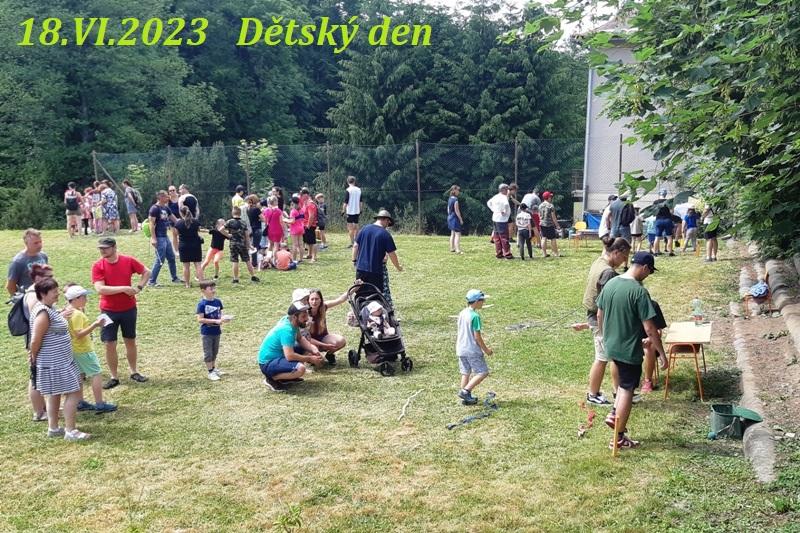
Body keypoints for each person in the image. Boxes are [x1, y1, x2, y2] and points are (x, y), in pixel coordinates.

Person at [596, 252, 668, 450]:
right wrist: (662, 354)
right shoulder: (639, 291)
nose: (648, 275)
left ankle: (614, 413)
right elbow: (650, 328)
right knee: (628, 389)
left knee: (623, 384)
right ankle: (618, 437)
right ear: (644, 267)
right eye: (650, 271)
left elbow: (600, 314)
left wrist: (604, 336)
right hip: (629, 349)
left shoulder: (611, 283)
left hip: (611, 346)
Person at [29, 277, 90, 441]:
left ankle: (54, 428)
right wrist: (33, 356)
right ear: (43, 294)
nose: (57, 294)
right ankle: (71, 431)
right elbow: (35, 340)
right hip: (55, 362)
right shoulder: (43, 312)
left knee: (54, 394)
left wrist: (60, 314)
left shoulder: (48, 309)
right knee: (74, 391)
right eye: (54, 292)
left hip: (59, 360)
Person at [91, 237, 151, 389]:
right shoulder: (98, 266)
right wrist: (124, 288)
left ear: (114, 247)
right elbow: (100, 289)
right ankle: (114, 376)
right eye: (100, 248)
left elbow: (146, 272)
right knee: (109, 343)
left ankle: (134, 371)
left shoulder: (128, 261)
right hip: (107, 310)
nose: (102, 251)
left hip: (128, 309)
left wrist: (139, 287)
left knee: (130, 340)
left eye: (105, 248)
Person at [579, 237, 631, 405]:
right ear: (616, 252)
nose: (624, 261)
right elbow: (607, 302)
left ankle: (618, 392)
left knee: (611, 357)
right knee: (602, 358)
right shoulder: (608, 272)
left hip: (595, 316)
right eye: (624, 257)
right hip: (600, 319)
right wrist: (604, 327)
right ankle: (593, 394)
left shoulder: (599, 261)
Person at [64, 285, 117, 413]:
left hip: (74, 349)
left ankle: (80, 402)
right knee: (96, 374)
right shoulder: (77, 314)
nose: (86, 299)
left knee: (79, 375)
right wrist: (95, 325)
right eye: (84, 297)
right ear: (76, 299)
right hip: (83, 350)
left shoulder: (67, 311)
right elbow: (78, 334)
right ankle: (100, 404)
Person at [257, 301, 323, 392]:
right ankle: (271, 379)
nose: (307, 318)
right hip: (268, 363)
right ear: (295, 317)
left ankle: (287, 377)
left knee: (306, 347)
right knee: (301, 369)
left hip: (279, 356)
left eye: (306, 315)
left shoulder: (289, 320)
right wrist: (310, 359)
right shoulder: (286, 330)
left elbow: (300, 338)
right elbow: (290, 356)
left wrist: (313, 349)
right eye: (303, 316)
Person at [23, 264, 55, 421]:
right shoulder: (33, 296)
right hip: (38, 338)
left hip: (41, 337)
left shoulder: (37, 291)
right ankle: (39, 412)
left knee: (39, 373)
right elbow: (39, 318)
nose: (52, 279)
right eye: (48, 277)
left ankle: (43, 407)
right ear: (37, 278)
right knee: (35, 375)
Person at [352, 209, 403, 303]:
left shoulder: (364, 229)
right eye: (388, 223)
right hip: (375, 271)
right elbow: (392, 254)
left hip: (360, 269)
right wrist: (398, 267)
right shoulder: (385, 234)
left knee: (360, 294)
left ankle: (360, 311)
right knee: (375, 297)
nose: (387, 226)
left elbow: (355, 246)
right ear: (386, 220)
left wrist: (354, 261)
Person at [456, 289, 493, 406]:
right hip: (472, 350)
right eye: (482, 300)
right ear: (476, 301)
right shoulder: (475, 316)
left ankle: (465, 398)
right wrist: (486, 350)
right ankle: (465, 391)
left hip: (461, 348)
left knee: (465, 372)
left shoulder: (462, 313)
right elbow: (477, 337)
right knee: (483, 372)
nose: (484, 302)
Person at [196, 281, 230, 381]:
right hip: (207, 332)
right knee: (208, 353)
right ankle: (210, 371)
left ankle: (213, 368)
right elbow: (200, 319)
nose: (214, 291)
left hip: (217, 331)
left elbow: (220, 314)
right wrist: (215, 321)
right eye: (211, 289)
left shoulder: (218, 301)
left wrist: (224, 318)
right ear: (203, 291)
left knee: (215, 352)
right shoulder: (202, 304)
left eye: (214, 288)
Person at [148, 190, 182, 286]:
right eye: (166, 196)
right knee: (160, 260)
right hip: (159, 237)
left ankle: (174, 278)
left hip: (165, 236)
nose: (168, 197)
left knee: (171, 257)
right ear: (160, 197)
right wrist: (153, 238)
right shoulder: (154, 209)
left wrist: (185, 223)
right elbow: (151, 224)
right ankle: (151, 281)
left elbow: (175, 219)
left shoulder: (166, 208)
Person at [307, 288, 348, 365]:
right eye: (312, 299)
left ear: (321, 300)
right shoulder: (304, 313)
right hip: (309, 341)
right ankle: (313, 357)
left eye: (316, 299)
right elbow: (306, 338)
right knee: (320, 363)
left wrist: (354, 288)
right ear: (308, 300)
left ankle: (329, 355)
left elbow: (340, 299)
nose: (314, 302)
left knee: (341, 341)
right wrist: (325, 345)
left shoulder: (323, 307)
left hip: (323, 338)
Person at [222, 206, 259, 283]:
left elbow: (220, 229)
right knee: (247, 260)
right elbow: (247, 235)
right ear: (240, 213)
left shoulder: (229, 222)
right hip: (242, 244)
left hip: (233, 244)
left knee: (235, 261)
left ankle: (236, 278)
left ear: (232, 213)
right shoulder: (243, 222)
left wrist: (228, 235)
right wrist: (249, 245)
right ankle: (253, 276)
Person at [7, 228, 48, 296]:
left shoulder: (43, 256)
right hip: (28, 297)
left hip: (43, 295)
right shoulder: (18, 261)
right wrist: (20, 299)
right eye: (35, 243)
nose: (39, 245)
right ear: (26, 243)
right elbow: (10, 286)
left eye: (40, 242)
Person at [175, 206, 206, 288]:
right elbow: (198, 230)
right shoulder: (195, 222)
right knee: (198, 265)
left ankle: (187, 284)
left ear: (181, 213)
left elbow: (176, 234)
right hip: (195, 245)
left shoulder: (178, 223)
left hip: (184, 246)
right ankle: (202, 283)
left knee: (186, 266)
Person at [487, 183, 513, 259]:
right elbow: (506, 205)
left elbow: (488, 203)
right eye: (507, 189)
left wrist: (494, 210)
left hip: (495, 218)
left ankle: (499, 253)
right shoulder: (504, 197)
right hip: (502, 219)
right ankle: (507, 253)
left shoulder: (496, 196)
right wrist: (504, 211)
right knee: (504, 237)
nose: (508, 191)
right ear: (504, 190)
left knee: (497, 236)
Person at [538, 191, 562, 257]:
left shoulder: (540, 205)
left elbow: (539, 215)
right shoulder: (551, 206)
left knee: (544, 238)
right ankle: (556, 253)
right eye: (550, 197)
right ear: (548, 198)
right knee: (553, 238)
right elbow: (553, 217)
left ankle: (544, 253)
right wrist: (557, 225)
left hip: (542, 223)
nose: (551, 198)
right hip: (549, 224)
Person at [342, 176, 362, 247]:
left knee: (350, 228)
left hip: (350, 211)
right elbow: (360, 201)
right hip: (357, 211)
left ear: (348, 182)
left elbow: (346, 202)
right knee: (356, 226)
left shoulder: (348, 190)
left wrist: (343, 210)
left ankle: (352, 243)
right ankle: (357, 241)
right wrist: (360, 209)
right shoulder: (359, 190)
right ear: (354, 181)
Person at [245, 194, 263, 267]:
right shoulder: (256, 209)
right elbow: (263, 219)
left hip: (251, 229)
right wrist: (259, 219)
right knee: (255, 246)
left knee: (252, 245)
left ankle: (252, 261)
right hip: (257, 228)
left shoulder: (248, 209)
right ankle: (254, 262)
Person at [302, 189, 318, 262]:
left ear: (306, 194)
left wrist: (308, 225)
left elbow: (311, 216)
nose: (301, 196)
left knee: (313, 241)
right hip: (305, 224)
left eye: (302, 195)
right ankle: (309, 254)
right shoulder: (305, 203)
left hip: (310, 225)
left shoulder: (310, 204)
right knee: (308, 241)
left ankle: (314, 257)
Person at [447, 185, 464, 254]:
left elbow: (448, 209)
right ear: (454, 191)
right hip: (455, 218)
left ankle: (452, 248)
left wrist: (449, 215)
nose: (458, 192)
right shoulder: (455, 200)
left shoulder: (450, 198)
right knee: (458, 234)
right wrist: (460, 219)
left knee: (452, 233)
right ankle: (457, 249)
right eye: (458, 190)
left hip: (450, 217)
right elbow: (457, 210)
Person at [287, 195, 305, 262]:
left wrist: (285, 220)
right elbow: (302, 219)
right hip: (301, 227)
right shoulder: (301, 210)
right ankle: (301, 258)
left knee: (294, 245)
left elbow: (292, 221)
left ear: (293, 203)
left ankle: (294, 259)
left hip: (294, 229)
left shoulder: (293, 211)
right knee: (301, 244)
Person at [167, 185, 181, 253]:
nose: (172, 192)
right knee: (174, 234)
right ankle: (176, 250)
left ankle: (182, 249)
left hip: (181, 218)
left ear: (176, 190)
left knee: (181, 234)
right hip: (172, 219)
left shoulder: (180, 197)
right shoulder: (168, 199)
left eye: (173, 190)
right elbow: (165, 208)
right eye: (170, 191)